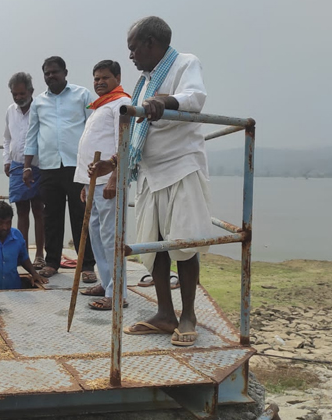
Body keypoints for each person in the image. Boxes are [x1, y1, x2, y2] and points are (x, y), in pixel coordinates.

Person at [90, 17, 211, 346]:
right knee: (153, 245)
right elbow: (136, 133)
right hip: (150, 173)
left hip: (181, 167)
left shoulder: (185, 63)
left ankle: (188, 316)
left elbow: (195, 97)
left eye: (133, 48)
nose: (130, 55)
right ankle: (164, 314)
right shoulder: (144, 82)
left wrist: (164, 101)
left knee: (182, 245)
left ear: (151, 44)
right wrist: (114, 163)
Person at [23, 56, 97, 282]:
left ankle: (86, 265)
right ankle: (52, 261)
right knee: (51, 215)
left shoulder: (82, 95)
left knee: (80, 214)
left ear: (65, 72)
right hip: (49, 166)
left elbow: (92, 128)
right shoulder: (38, 102)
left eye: (55, 72)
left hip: (77, 165)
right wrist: (27, 166)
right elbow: (32, 134)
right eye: (47, 73)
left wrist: (93, 161)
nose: (51, 76)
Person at [74, 60, 132, 311]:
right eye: (96, 78)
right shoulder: (100, 106)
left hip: (108, 182)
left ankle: (117, 293)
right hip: (93, 182)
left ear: (117, 77)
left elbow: (124, 144)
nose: (99, 82)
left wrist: (114, 178)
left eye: (105, 78)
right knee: (96, 235)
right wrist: (86, 184)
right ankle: (106, 282)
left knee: (111, 236)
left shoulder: (121, 104)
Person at [3, 72, 45, 270]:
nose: (19, 98)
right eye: (15, 94)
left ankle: (39, 254)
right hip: (17, 164)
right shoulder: (10, 111)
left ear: (31, 91)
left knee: (39, 209)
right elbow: (7, 138)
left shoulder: (40, 108)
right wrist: (6, 160)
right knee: (21, 211)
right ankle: (23, 253)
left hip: (39, 165)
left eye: (22, 93)